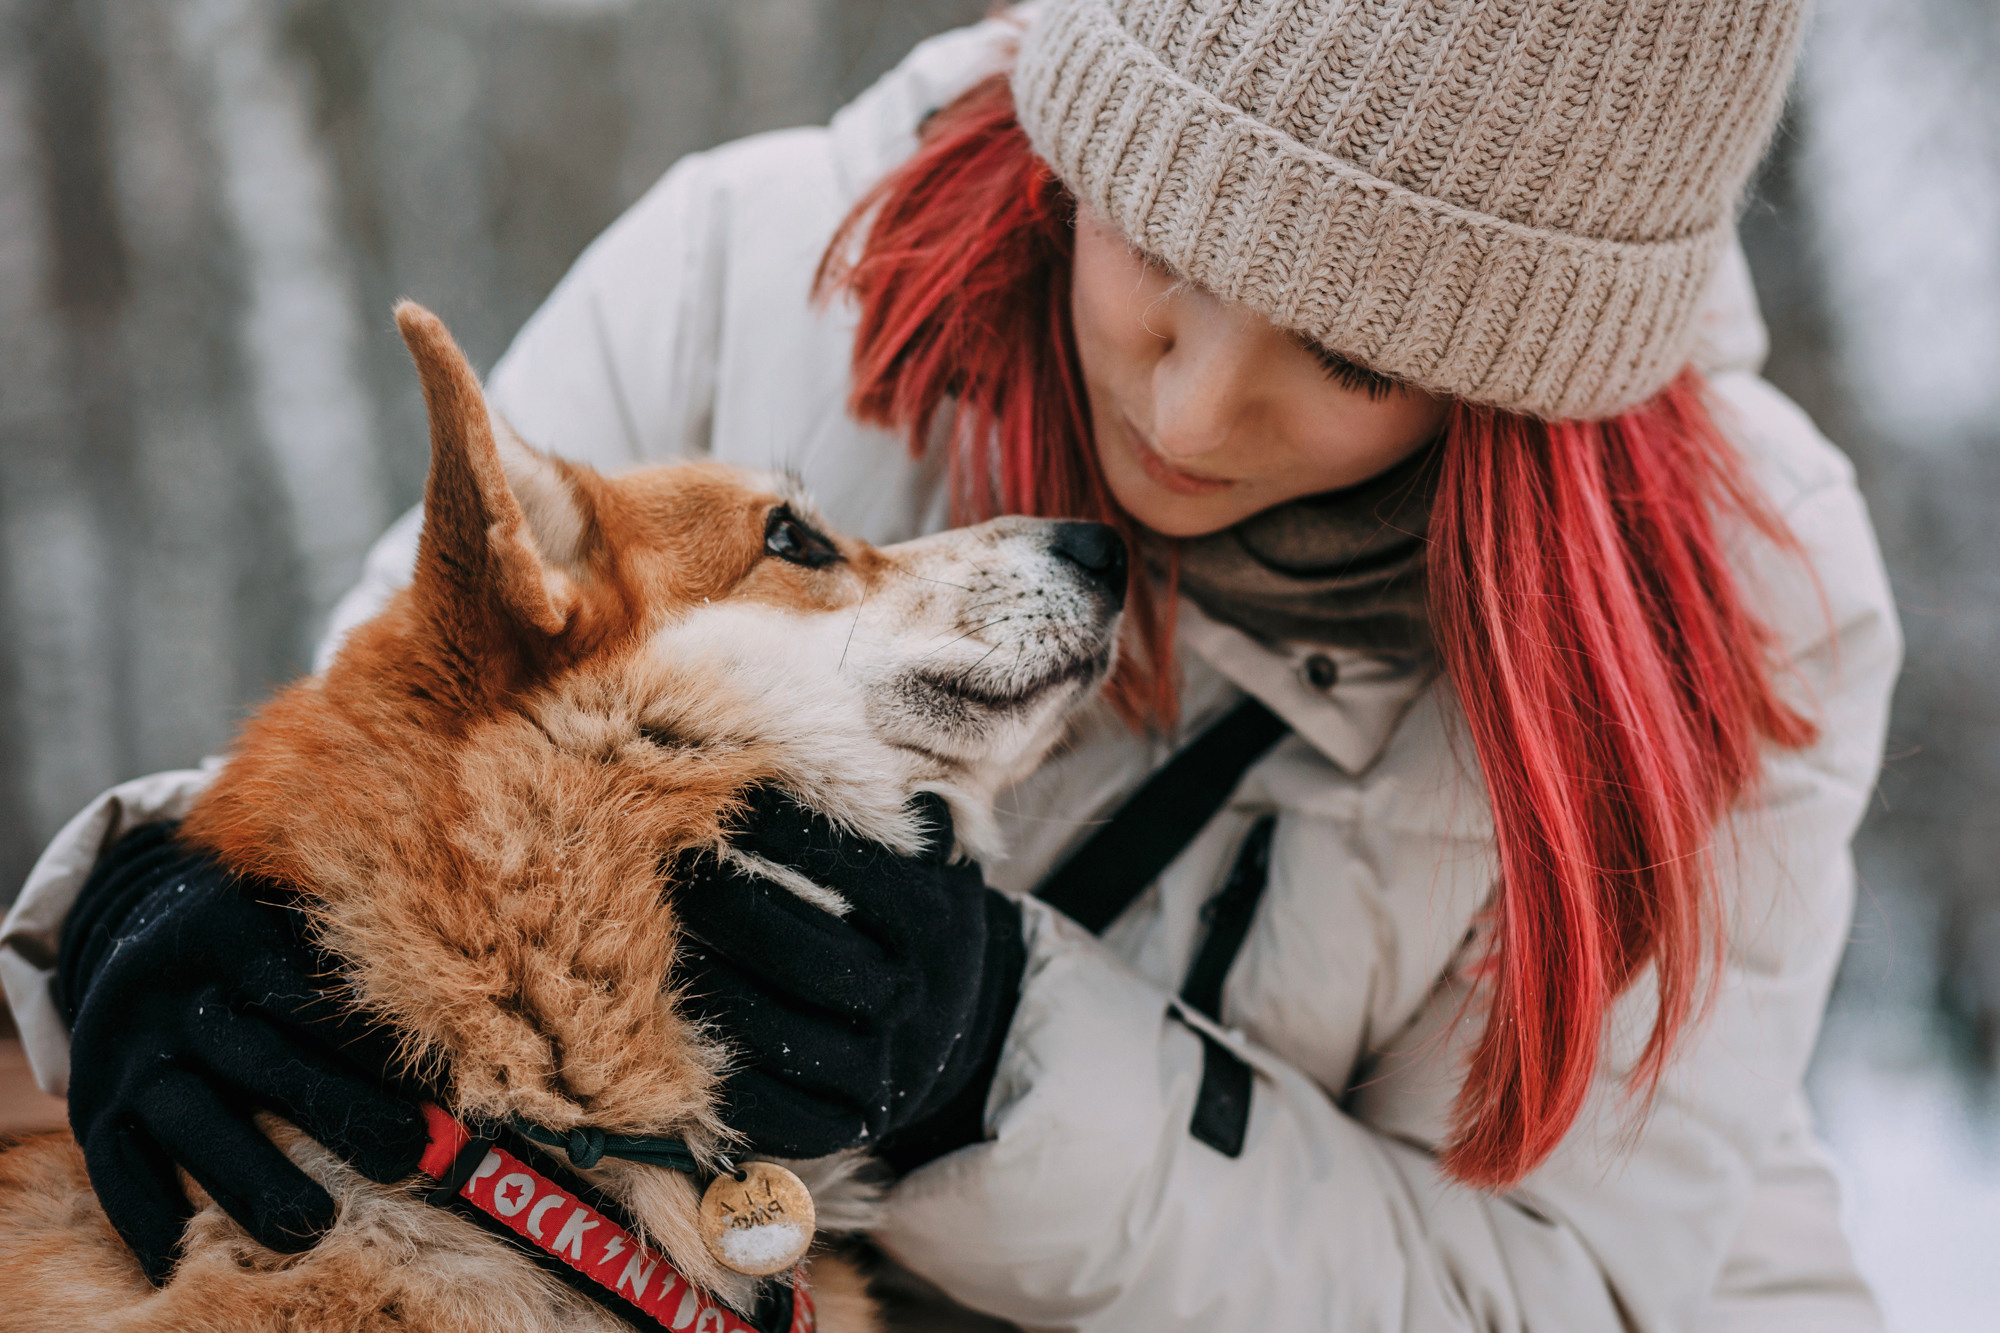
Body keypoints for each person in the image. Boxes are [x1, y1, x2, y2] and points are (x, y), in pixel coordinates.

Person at [1, 0, 1900, 1328]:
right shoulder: (754, 268)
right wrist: (160, 900)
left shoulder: (1739, 615)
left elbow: (1549, 1294)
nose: (1197, 405)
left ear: (1509, 383)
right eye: (1173, 240)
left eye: (1360, 357)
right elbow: (426, 703)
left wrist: (1001, 1060)